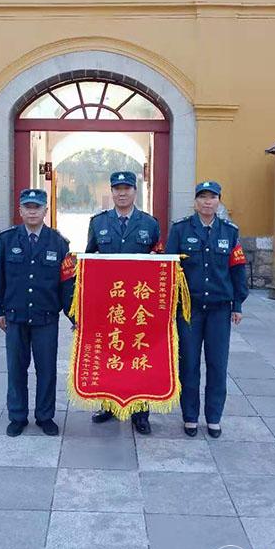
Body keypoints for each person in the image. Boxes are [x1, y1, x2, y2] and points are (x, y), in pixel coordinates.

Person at [0, 188, 74, 437]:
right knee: (16, 368)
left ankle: (45, 415)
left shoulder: (59, 243)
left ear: (46, 210)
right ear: (20, 210)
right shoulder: (6, 240)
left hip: (46, 318)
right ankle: (17, 416)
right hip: (14, 317)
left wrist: (74, 316)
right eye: (28, 207)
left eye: (37, 207)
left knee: (46, 369)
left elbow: (67, 284)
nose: (32, 211)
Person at [166, 180, 248, 439]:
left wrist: (238, 304)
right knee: (188, 364)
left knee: (217, 364)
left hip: (219, 310)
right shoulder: (180, 230)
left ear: (219, 201)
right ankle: (190, 417)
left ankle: (214, 417)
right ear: (195, 202)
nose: (207, 202)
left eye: (212, 197)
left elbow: (237, 270)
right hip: (188, 310)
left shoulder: (229, 233)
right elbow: (169, 270)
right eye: (202, 197)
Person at [85, 170, 161, 435]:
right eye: (117, 188)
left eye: (127, 188)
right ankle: (109, 405)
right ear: (112, 191)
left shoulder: (150, 224)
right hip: (109, 305)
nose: (121, 193)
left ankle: (140, 411)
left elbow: (160, 263)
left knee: (139, 356)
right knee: (110, 355)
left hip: (139, 305)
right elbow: (89, 262)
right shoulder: (98, 223)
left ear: (135, 192)